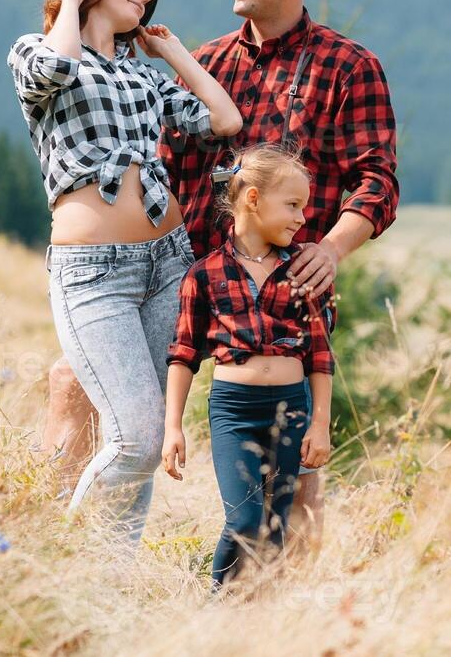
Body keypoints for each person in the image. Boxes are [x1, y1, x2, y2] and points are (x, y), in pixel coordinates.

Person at [42, 0, 400, 554]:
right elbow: (161, 173)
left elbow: (377, 179)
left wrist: (332, 247)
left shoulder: (348, 67)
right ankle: (46, 547)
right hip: (186, 274)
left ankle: (271, 618)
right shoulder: (203, 65)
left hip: (287, 291)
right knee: (75, 382)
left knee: (289, 472)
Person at [7, 0, 242, 545]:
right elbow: (57, 67)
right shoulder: (34, 51)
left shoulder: (142, 77)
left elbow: (224, 119)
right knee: (136, 438)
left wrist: (174, 54)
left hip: (167, 262)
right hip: (93, 272)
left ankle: (111, 579)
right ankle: (64, 564)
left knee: (144, 437)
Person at [161, 143, 335, 587]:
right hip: (234, 411)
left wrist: (320, 424)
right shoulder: (204, 274)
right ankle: (217, 606)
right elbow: (183, 355)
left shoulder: (303, 272)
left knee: (274, 529)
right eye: (292, 205)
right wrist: (173, 427)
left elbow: (319, 354)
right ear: (253, 200)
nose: (301, 217)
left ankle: (257, 623)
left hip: (291, 409)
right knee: (243, 522)